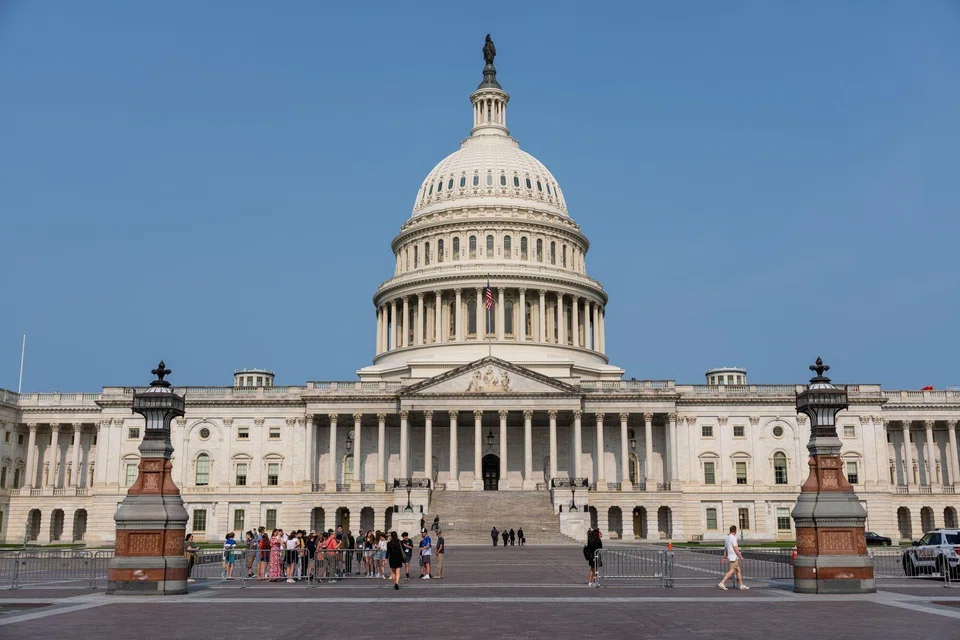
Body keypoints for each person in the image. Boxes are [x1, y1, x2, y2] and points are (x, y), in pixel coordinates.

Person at [719, 525, 749, 590]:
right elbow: (735, 548)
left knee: (738, 570)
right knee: (732, 571)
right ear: (735, 531)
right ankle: (722, 583)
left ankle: (741, 585)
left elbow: (726, 549)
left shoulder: (727, 538)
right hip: (734, 557)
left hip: (730, 556)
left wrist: (724, 557)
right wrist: (741, 556)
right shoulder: (733, 538)